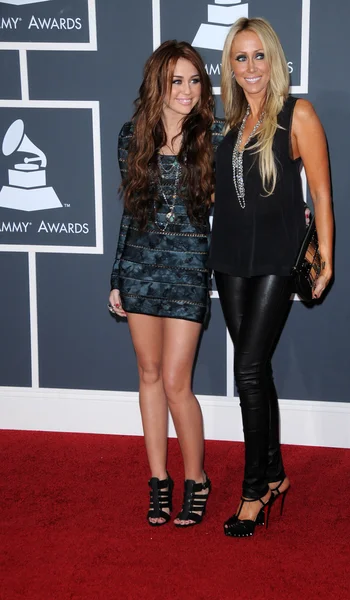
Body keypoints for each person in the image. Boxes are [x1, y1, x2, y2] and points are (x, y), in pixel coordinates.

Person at [208, 17, 334, 537]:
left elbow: (322, 192)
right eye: (241, 58)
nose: (251, 67)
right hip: (230, 258)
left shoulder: (297, 113)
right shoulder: (230, 124)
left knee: (249, 370)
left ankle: (254, 490)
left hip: (278, 259)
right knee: (253, 370)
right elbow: (223, 197)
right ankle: (277, 474)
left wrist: (325, 255)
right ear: (230, 68)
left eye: (259, 56)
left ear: (274, 60)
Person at [109, 40, 223, 527]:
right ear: (158, 83)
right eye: (177, 80)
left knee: (177, 382)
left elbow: (239, 207)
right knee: (149, 375)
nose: (188, 90)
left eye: (195, 80)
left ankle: (196, 478)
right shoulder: (130, 136)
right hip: (140, 269)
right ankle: (159, 480)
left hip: (188, 270)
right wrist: (117, 275)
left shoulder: (215, 138)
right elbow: (130, 216)